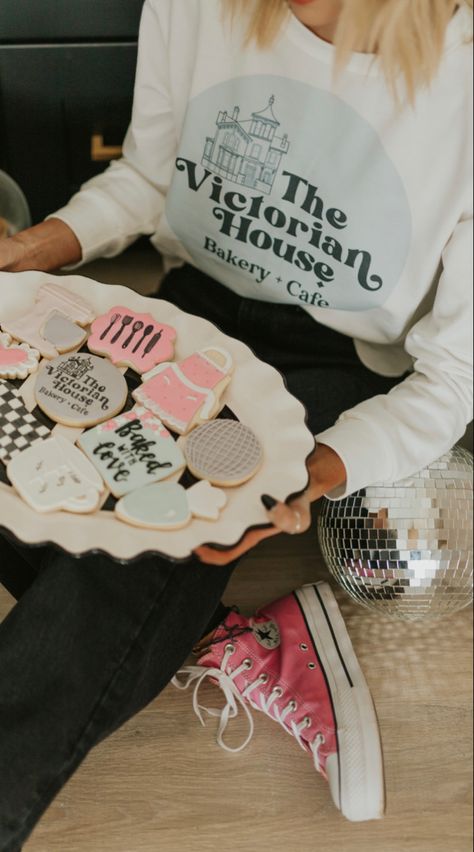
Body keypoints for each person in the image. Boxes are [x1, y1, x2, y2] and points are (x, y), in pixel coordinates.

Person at [0, 0, 472, 846]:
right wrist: (34, 247)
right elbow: (148, 182)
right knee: (38, 472)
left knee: (132, 560)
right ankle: (240, 638)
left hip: (334, 362)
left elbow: (453, 379)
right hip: (192, 321)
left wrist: (315, 471)